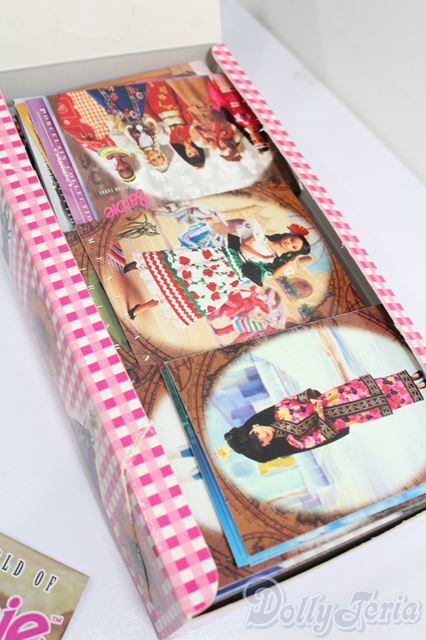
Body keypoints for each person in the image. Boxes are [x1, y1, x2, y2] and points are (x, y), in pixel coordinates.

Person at [123, 222, 310, 324]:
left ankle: (142, 307)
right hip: (223, 258)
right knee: (181, 263)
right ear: (288, 235)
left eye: (293, 246)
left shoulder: (274, 259)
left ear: (292, 251)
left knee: (189, 291)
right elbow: (244, 246)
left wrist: (290, 260)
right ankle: (139, 265)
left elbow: (274, 274)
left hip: (231, 275)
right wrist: (261, 255)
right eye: (291, 240)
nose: (289, 243)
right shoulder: (262, 237)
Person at [225, 370, 425, 463]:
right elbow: (323, 435)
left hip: (335, 397)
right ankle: (419, 386)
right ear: (267, 445)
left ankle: (412, 377)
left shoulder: (280, 412)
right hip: (344, 416)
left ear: (255, 426)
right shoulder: (295, 440)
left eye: (257, 434)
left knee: (373, 387)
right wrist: (320, 415)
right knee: (380, 403)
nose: (263, 436)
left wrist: (312, 399)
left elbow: (297, 398)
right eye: (261, 441)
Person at [54, 92, 136, 182]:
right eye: (127, 168)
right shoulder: (129, 148)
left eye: (121, 170)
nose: (123, 166)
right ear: (130, 165)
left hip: (91, 121)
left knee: (78, 97)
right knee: (93, 94)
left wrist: (87, 137)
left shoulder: (105, 155)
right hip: (106, 116)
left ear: (117, 170)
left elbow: (90, 144)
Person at [87, 84, 170, 172]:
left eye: (153, 159)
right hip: (138, 112)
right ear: (161, 154)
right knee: (131, 88)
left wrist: (119, 123)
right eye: (158, 156)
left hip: (123, 116)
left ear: (148, 161)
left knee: (109, 95)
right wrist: (159, 131)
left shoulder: (131, 147)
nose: (154, 156)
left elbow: (116, 134)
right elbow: (161, 125)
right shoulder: (158, 140)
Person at [145, 81, 205, 168]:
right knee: (157, 81)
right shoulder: (192, 134)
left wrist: (148, 111)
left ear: (185, 154)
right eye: (195, 151)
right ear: (198, 149)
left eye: (189, 153)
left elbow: (157, 124)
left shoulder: (172, 141)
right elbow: (185, 110)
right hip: (170, 100)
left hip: (156, 108)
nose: (191, 150)